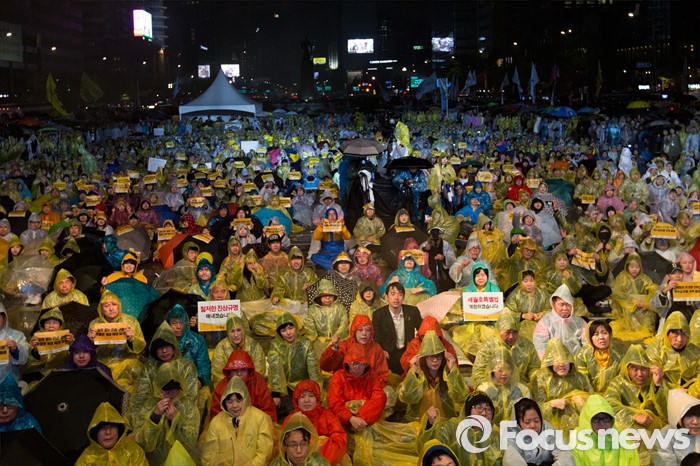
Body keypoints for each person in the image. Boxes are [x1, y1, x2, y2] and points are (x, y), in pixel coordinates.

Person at [133, 363, 199, 466]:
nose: (171, 393)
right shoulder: (148, 407)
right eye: (166, 389)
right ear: (158, 389)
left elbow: (191, 441)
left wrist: (176, 420)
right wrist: (155, 417)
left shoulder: (188, 407)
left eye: (174, 389)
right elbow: (142, 443)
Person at [203, 376, 275, 466]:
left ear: (246, 400)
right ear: (224, 402)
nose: (235, 405)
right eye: (230, 402)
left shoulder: (260, 418)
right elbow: (209, 454)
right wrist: (216, 463)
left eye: (238, 400)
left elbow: (264, 453)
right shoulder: (216, 422)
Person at [398, 330, 468, 422]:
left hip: (445, 424)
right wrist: (413, 372)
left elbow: (461, 396)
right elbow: (406, 397)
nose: (435, 360)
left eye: (438, 356)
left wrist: (453, 370)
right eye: (431, 356)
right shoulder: (418, 376)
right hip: (419, 424)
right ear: (424, 358)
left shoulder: (448, 375)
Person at [87, 291, 146, 392]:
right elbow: (88, 350)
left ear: (119, 306)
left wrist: (131, 339)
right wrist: (90, 341)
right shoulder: (94, 324)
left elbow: (141, 346)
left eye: (114, 304)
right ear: (101, 309)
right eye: (106, 306)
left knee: (137, 368)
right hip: (103, 362)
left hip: (126, 361)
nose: (111, 309)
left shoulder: (131, 321)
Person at [267, 312, 323, 420]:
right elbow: (275, 370)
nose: (288, 333)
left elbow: (313, 369)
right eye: (284, 330)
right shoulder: (276, 345)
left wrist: (316, 391)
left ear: (296, 328)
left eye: (291, 328)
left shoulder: (306, 344)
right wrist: (276, 394)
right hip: (285, 388)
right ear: (279, 333)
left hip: (304, 386)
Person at [529, 338, 592, 430]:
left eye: (565, 360)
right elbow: (534, 410)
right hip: (550, 428)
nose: (561, 364)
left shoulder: (579, 377)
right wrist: (551, 405)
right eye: (556, 361)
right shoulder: (540, 379)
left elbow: (591, 400)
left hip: (578, 426)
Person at [604, 344, 667, 435]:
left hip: (654, 431)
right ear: (627, 369)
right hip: (627, 432)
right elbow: (609, 403)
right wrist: (633, 415)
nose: (640, 374)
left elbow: (664, 411)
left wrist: (658, 386)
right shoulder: (618, 383)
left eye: (643, 369)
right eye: (635, 369)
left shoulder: (654, 381)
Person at [284, 380, 347, 466]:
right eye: (302, 397)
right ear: (296, 400)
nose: (306, 400)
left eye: (311, 396)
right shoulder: (291, 420)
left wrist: (321, 461)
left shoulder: (327, 416)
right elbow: (285, 444)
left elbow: (340, 439)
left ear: (317, 399)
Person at [326, 345, 387, 432]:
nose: (356, 367)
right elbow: (334, 402)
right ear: (347, 363)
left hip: (365, 421)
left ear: (366, 364)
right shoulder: (339, 376)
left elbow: (379, 398)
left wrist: (360, 419)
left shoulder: (372, 377)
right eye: (353, 363)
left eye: (361, 363)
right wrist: (350, 418)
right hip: (342, 420)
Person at [473, 311, 540, 388]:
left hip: (520, 388)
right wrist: (489, 388)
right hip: (494, 388)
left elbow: (534, 367)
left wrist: (534, 380)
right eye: (507, 332)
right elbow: (478, 371)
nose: (511, 336)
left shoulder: (526, 345)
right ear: (500, 331)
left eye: (515, 332)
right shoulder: (489, 346)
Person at [320, 314, 390, 386]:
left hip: (369, 388)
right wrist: (334, 348)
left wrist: (369, 388)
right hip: (345, 387)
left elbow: (383, 375)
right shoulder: (344, 346)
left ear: (371, 332)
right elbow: (326, 367)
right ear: (354, 331)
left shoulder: (376, 348)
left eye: (368, 330)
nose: (364, 333)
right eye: (360, 330)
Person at [503, 397, 575, 466]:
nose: (533, 425)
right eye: (527, 422)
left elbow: (565, 455)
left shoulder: (548, 430)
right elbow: (512, 461)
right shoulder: (512, 435)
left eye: (536, 420)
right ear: (518, 423)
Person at [572, 394, 641, 466]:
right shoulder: (576, 440)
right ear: (587, 420)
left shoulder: (624, 440)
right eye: (596, 419)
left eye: (606, 418)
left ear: (612, 420)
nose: (602, 423)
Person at [211, 349, 276, 422]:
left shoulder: (258, 382)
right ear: (229, 371)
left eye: (243, 370)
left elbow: (268, 410)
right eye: (235, 370)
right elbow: (216, 415)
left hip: (255, 423)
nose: (239, 374)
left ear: (249, 370)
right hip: (228, 424)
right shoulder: (221, 387)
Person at [373, 282, 423, 374]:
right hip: (388, 353)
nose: (396, 298)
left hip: (408, 352)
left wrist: (417, 348)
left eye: (400, 294)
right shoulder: (378, 315)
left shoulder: (412, 311)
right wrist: (381, 350)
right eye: (393, 294)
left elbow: (422, 331)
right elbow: (376, 337)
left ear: (403, 297)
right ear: (387, 297)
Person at [75, 401, 148, 466]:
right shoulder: (87, 459)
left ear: (119, 429)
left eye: (112, 427)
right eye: (102, 428)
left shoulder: (134, 451)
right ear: (95, 432)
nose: (108, 432)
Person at [645, 311, 700, 390]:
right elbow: (648, 382)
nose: (679, 339)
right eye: (675, 334)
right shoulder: (655, 350)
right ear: (667, 333)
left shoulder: (694, 351)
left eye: (683, 334)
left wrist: (691, 390)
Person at [610, 252, 658, 340]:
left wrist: (646, 303)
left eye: (637, 267)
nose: (634, 270)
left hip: (642, 305)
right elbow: (617, 293)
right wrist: (633, 301)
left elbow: (653, 289)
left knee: (649, 320)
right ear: (627, 267)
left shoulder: (644, 277)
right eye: (632, 267)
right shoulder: (622, 277)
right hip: (627, 306)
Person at [533, 284, 586, 359]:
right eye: (561, 304)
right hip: (554, 362)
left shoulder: (579, 322)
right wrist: (549, 362)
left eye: (568, 304)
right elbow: (540, 345)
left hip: (577, 361)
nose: (565, 308)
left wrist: (581, 360)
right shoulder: (546, 321)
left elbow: (587, 343)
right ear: (553, 304)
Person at [211, 314, 266, 385]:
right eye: (232, 331)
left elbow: (259, 371)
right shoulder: (221, 347)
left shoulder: (254, 345)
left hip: (251, 385)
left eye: (238, 330)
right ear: (228, 333)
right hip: (228, 387)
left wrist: (247, 385)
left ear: (243, 330)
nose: (236, 335)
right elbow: (218, 374)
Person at [165, 304, 211, 389]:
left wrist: (200, 381)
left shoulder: (198, 340)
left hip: (193, 382)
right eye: (174, 323)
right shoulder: (163, 340)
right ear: (169, 324)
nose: (178, 327)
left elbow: (203, 364)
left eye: (181, 322)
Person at [303, 279, 349, 357]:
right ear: (319, 297)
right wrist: (314, 339)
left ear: (334, 296)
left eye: (330, 295)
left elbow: (344, 323)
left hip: (339, 340)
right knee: (320, 359)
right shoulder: (313, 310)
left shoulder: (340, 308)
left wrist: (336, 336)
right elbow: (309, 325)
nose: (327, 298)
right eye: (324, 295)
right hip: (319, 341)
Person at [574, 320, 622, 394]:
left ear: (610, 335)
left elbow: (620, 380)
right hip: (588, 395)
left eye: (604, 333)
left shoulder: (618, 355)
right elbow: (582, 380)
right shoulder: (583, 354)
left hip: (611, 394)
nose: (601, 337)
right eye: (596, 334)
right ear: (590, 337)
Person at [26, 307, 75, 375]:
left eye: (55, 323)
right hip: (40, 374)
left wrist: (72, 344)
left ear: (60, 325)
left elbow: (74, 359)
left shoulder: (67, 337)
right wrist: (35, 351)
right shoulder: (36, 338)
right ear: (43, 325)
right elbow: (30, 363)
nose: (51, 326)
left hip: (62, 373)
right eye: (47, 323)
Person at [0, 302, 29, 386]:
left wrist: (15, 350)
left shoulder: (16, 336)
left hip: (12, 383)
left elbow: (24, 359)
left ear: (4, 318)